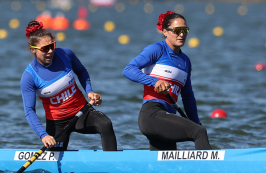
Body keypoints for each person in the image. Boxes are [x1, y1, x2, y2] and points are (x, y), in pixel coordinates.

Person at [20, 21, 117, 151]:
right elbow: (29, 111)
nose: (50, 51)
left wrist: (89, 91)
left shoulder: (66, 54)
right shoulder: (29, 77)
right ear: (33, 49)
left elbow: (82, 71)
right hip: (57, 124)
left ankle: (111, 165)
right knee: (54, 169)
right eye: (45, 48)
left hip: (82, 112)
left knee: (105, 124)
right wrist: (43, 135)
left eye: (52, 46)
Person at [122, 11, 212, 150]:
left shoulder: (186, 61)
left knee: (167, 167)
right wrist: (155, 82)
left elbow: (188, 97)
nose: (181, 34)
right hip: (152, 115)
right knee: (199, 133)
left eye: (185, 30)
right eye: (177, 30)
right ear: (165, 32)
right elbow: (128, 69)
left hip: (167, 117)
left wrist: (195, 122)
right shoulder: (156, 49)